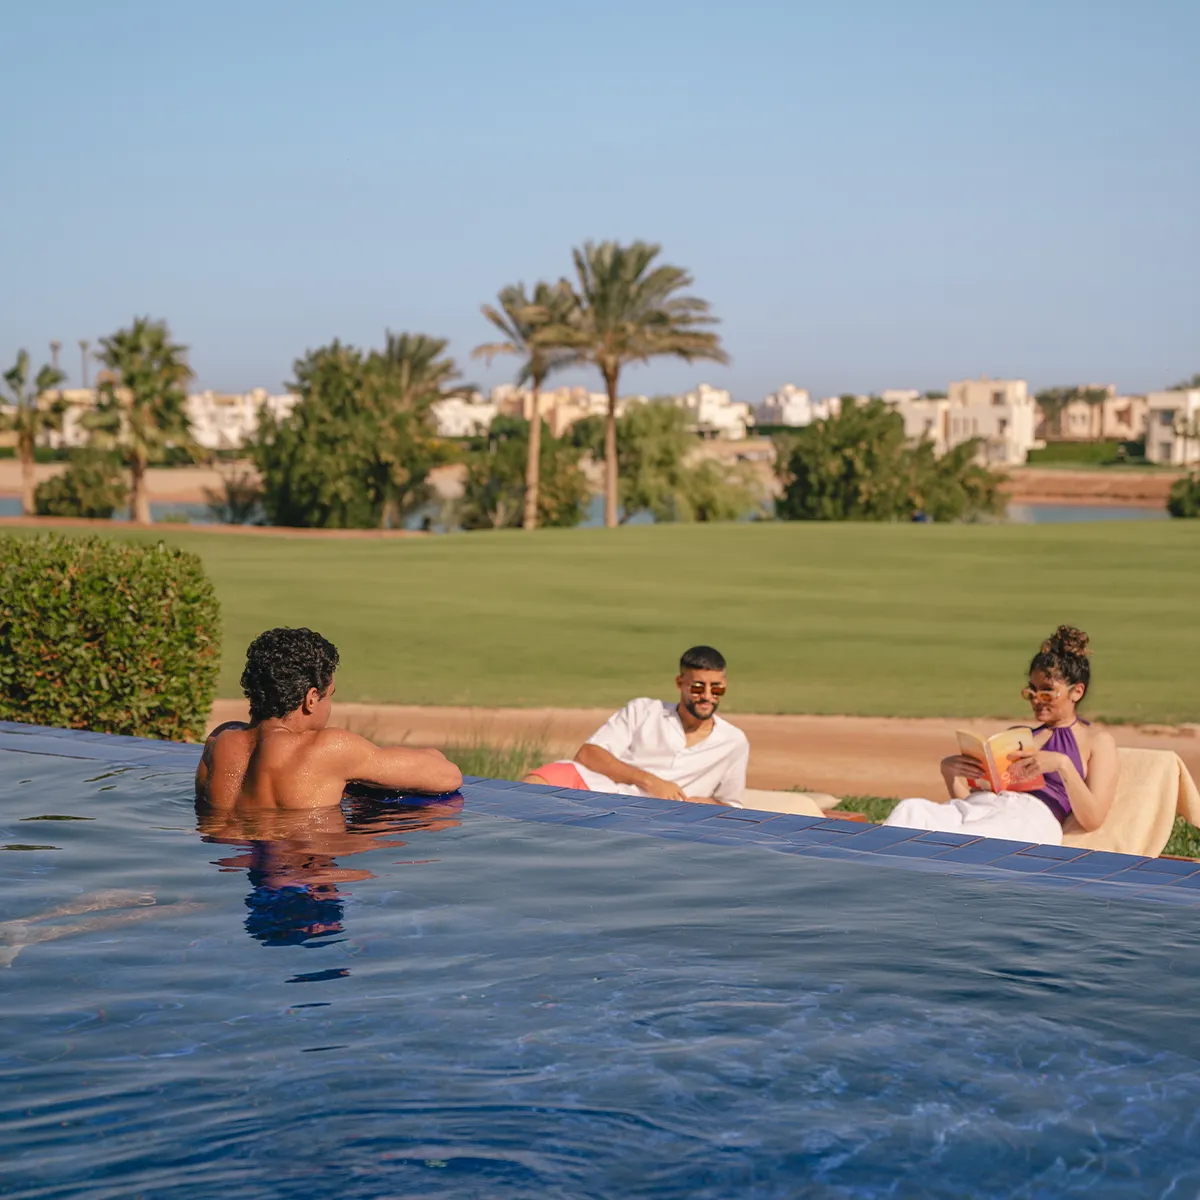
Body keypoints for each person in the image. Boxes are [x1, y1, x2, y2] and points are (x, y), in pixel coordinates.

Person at [884, 625, 1119, 845]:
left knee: (968, 838)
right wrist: (950, 773)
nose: (1037, 700)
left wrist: (1062, 765)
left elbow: (1093, 819)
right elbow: (971, 805)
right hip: (986, 806)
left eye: (1047, 693)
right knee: (911, 811)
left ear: (1076, 691)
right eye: (1032, 692)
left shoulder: (1095, 741)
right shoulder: (1017, 735)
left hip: (1029, 818)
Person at [195, 627, 462, 810]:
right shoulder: (324, 749)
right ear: (311, 699)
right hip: (304, 880)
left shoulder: (218, 742)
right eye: (330, 694)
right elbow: (446, 776)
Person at [522, 645, 750, 806]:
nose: (707, 696)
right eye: (698, 688)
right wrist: (652, 782)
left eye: (717, 688)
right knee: (541, 780)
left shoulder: (734, 741)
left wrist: (709, 803)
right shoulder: (644, 710)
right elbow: (588, 755)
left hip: (666, 817)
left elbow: (731, 805)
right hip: (605, 792)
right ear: (680, 683)